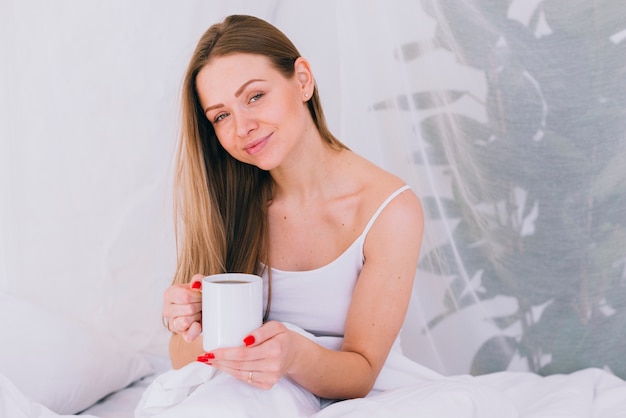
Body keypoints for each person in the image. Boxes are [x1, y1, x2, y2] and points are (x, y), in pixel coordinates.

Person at [159, 14, 425, 415]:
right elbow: (183, 360)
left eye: (254, 96)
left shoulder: (390, 210)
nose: (242, 127)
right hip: (250, 399)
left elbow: (362, 373)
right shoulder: (229, 200)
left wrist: (294, 355)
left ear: (302, 80)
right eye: (221, 116)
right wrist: (188, 323)